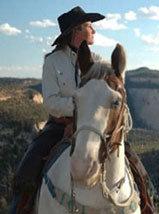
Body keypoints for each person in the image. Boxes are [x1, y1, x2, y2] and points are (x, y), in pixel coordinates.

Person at [10, 6, 111, 214]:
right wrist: (80, 107)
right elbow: (51, 102)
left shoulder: (99, 62)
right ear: (77, 31)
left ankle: (146, 202)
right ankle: (21, 207)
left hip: (93, 125)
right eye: (90, 26)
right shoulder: (52, 61)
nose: (94, 31)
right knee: (27, 171)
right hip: (59, 125)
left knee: (131, 160)